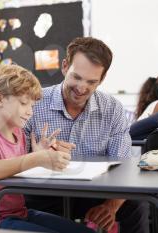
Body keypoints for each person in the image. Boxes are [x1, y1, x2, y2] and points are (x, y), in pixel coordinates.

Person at [25, 37, 149, 233]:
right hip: (45, 192)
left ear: (102, 78)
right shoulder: (33, 103)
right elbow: (12, 158)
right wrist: (37, 155)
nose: (82, 88)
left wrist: (111, 206)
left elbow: (125, 167)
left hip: (95, 193)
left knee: (137, 204)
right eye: (76, 77)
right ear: (65, 67)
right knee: (33, 212)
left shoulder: (113, 109)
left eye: (92, 81)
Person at [0, 64, 94, 233]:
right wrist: (36, 159)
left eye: (32, 106)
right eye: (24, 103)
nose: (30, 112)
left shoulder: (18, 134)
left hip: (18, 214)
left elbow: (16, 167)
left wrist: (37, 154)